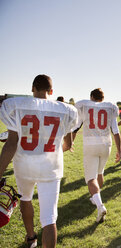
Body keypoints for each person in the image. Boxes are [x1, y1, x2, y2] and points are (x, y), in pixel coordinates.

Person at [0, 74, 78, 248]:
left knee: (25, 199)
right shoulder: (66, 110)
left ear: (32, 89)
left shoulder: (16, 106)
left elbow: (11, 143)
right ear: (51, 91)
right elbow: (68, 144)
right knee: (49, 218)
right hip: (50, 167)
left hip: (24, 165)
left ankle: (31, 237)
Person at [73, 88, 121, 223]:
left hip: (90, 145)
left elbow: (75, 127)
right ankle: (96, 198)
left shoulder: (85, 106)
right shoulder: (110, 108)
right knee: (100, 172)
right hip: (107, 145)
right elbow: (116, 131)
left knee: (90, 178)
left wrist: (70, 142)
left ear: (92, 97)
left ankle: (100, 206)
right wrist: (120, 151)